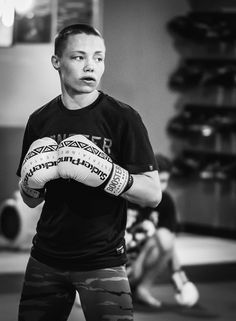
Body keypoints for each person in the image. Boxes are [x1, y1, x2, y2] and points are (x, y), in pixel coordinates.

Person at [16, 23, 162, 321]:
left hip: (102, 259)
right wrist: (30, 184)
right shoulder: (40, 120)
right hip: (45, 257)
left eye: (99, 58)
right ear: (57, 61)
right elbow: (31, 199)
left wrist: (109, 174)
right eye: (79, 57)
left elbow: (153, 194)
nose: (90, 66)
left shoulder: (123, 118)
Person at [126, 154, 199, 308]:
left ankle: (143, 289)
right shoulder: (126, 195)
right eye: (160, 180)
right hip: (115, 264)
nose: (162, 186)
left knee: (164, 237)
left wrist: (181, 279)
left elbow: (168, 245)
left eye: (166, 181)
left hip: (139, 263)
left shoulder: (165, 202)